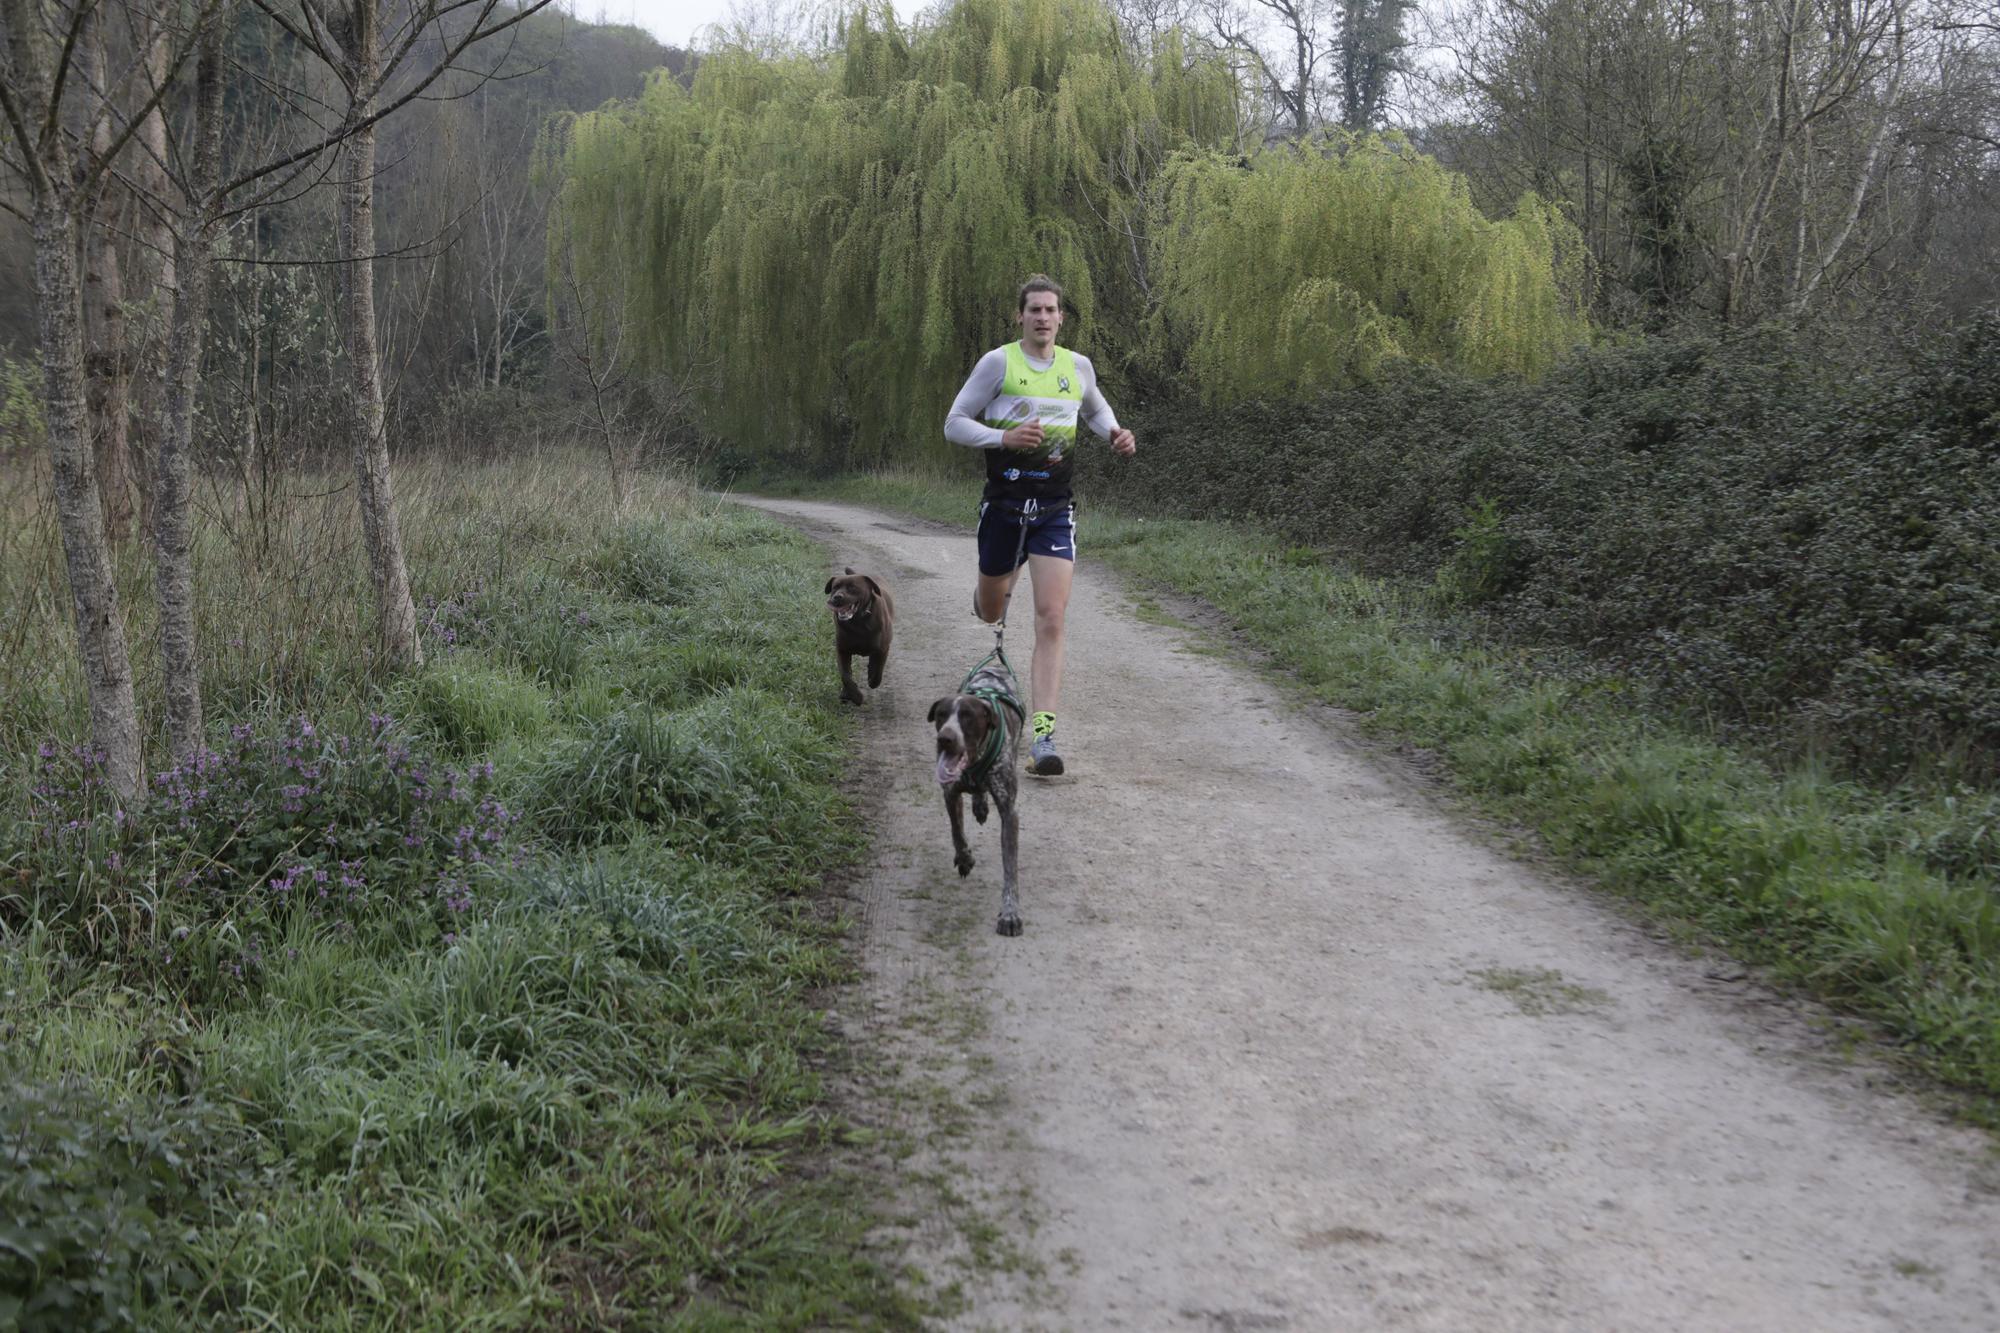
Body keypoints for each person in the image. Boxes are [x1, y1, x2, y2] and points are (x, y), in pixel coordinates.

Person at [943, 273, 1137, 776]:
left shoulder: (1078, 367)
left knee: (1051, 617)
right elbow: (955, 422)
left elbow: (1094, 410)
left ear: (1061, 318)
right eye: (1035, 310)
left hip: (1053, 510)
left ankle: (1044, 738)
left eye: (1051, 311)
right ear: (1020, 316)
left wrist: (1114, 433)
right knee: (990, 611)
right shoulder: (998, 363)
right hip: (1004, 508)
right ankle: (989, 592)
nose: (1044, 318)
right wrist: (1003, 439)